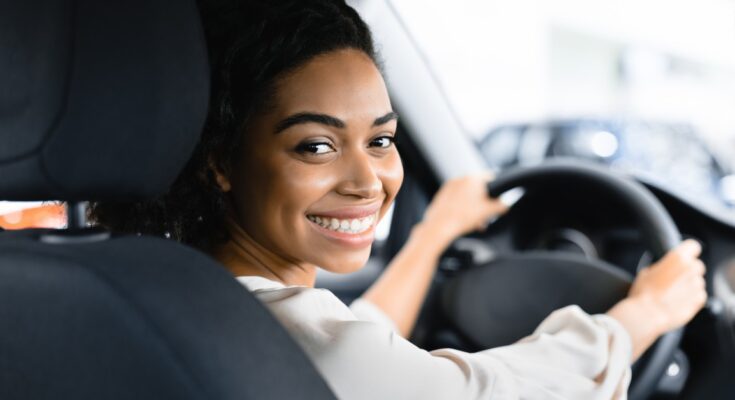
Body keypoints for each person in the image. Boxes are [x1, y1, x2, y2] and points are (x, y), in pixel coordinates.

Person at [92, 0, 708, 398]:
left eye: (381, 139)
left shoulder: (154, 294)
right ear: (220, 161)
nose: (369, 181)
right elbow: (495, 389)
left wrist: (433, 234)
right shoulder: (289, 343)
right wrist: (641, 316)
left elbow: (357, 345)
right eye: (316, 146)